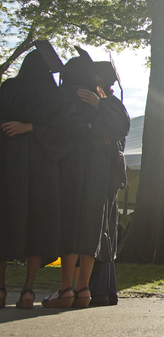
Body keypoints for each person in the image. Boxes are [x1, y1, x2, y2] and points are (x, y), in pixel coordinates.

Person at [0, 42, 87, 308]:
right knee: (39, 223)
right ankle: (28, 290)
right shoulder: (55, 94)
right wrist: (34, 128)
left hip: (8, 164)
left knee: (3, 221)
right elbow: (71, 129)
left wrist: (23, 127)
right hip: (43, 166)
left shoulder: (8, 88)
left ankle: (1, 289)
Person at [42, 48, 130, 308]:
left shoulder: (81, 98)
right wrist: (98, 130)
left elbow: (61, 129)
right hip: (99, 173)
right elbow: (118, 129)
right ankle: (86, 291)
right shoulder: (106, 103)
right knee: (94, 226)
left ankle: (69, 289)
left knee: (74, 225)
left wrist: (89, 128)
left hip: (76, 168)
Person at [87, 60, 130, 306]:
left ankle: (102, 289)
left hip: (106, 175)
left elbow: (120, 128)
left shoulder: (111, 103)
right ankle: (103, 289)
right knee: (103, 229)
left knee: (103, 229)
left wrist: (100, 107)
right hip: (103, 173)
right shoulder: (108, 102)